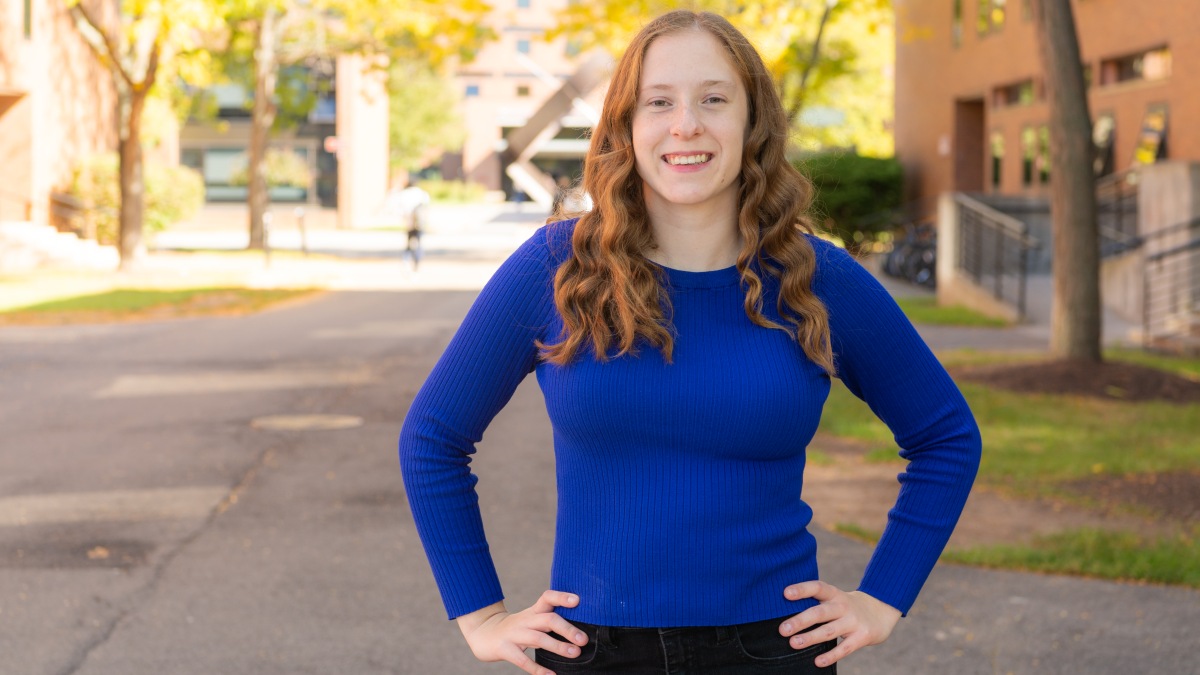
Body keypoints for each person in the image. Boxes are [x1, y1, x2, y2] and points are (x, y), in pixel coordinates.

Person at [399, 10, 980, 675]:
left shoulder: (818, 278)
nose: (686, 124)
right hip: (595, 650)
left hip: (773, 647)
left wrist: (881, 599)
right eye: (660, 101)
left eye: (713, 99)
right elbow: (433, 438)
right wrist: (480, 615)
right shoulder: (557, 268)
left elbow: (946, 436)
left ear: (752, 122)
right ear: (627, 124)